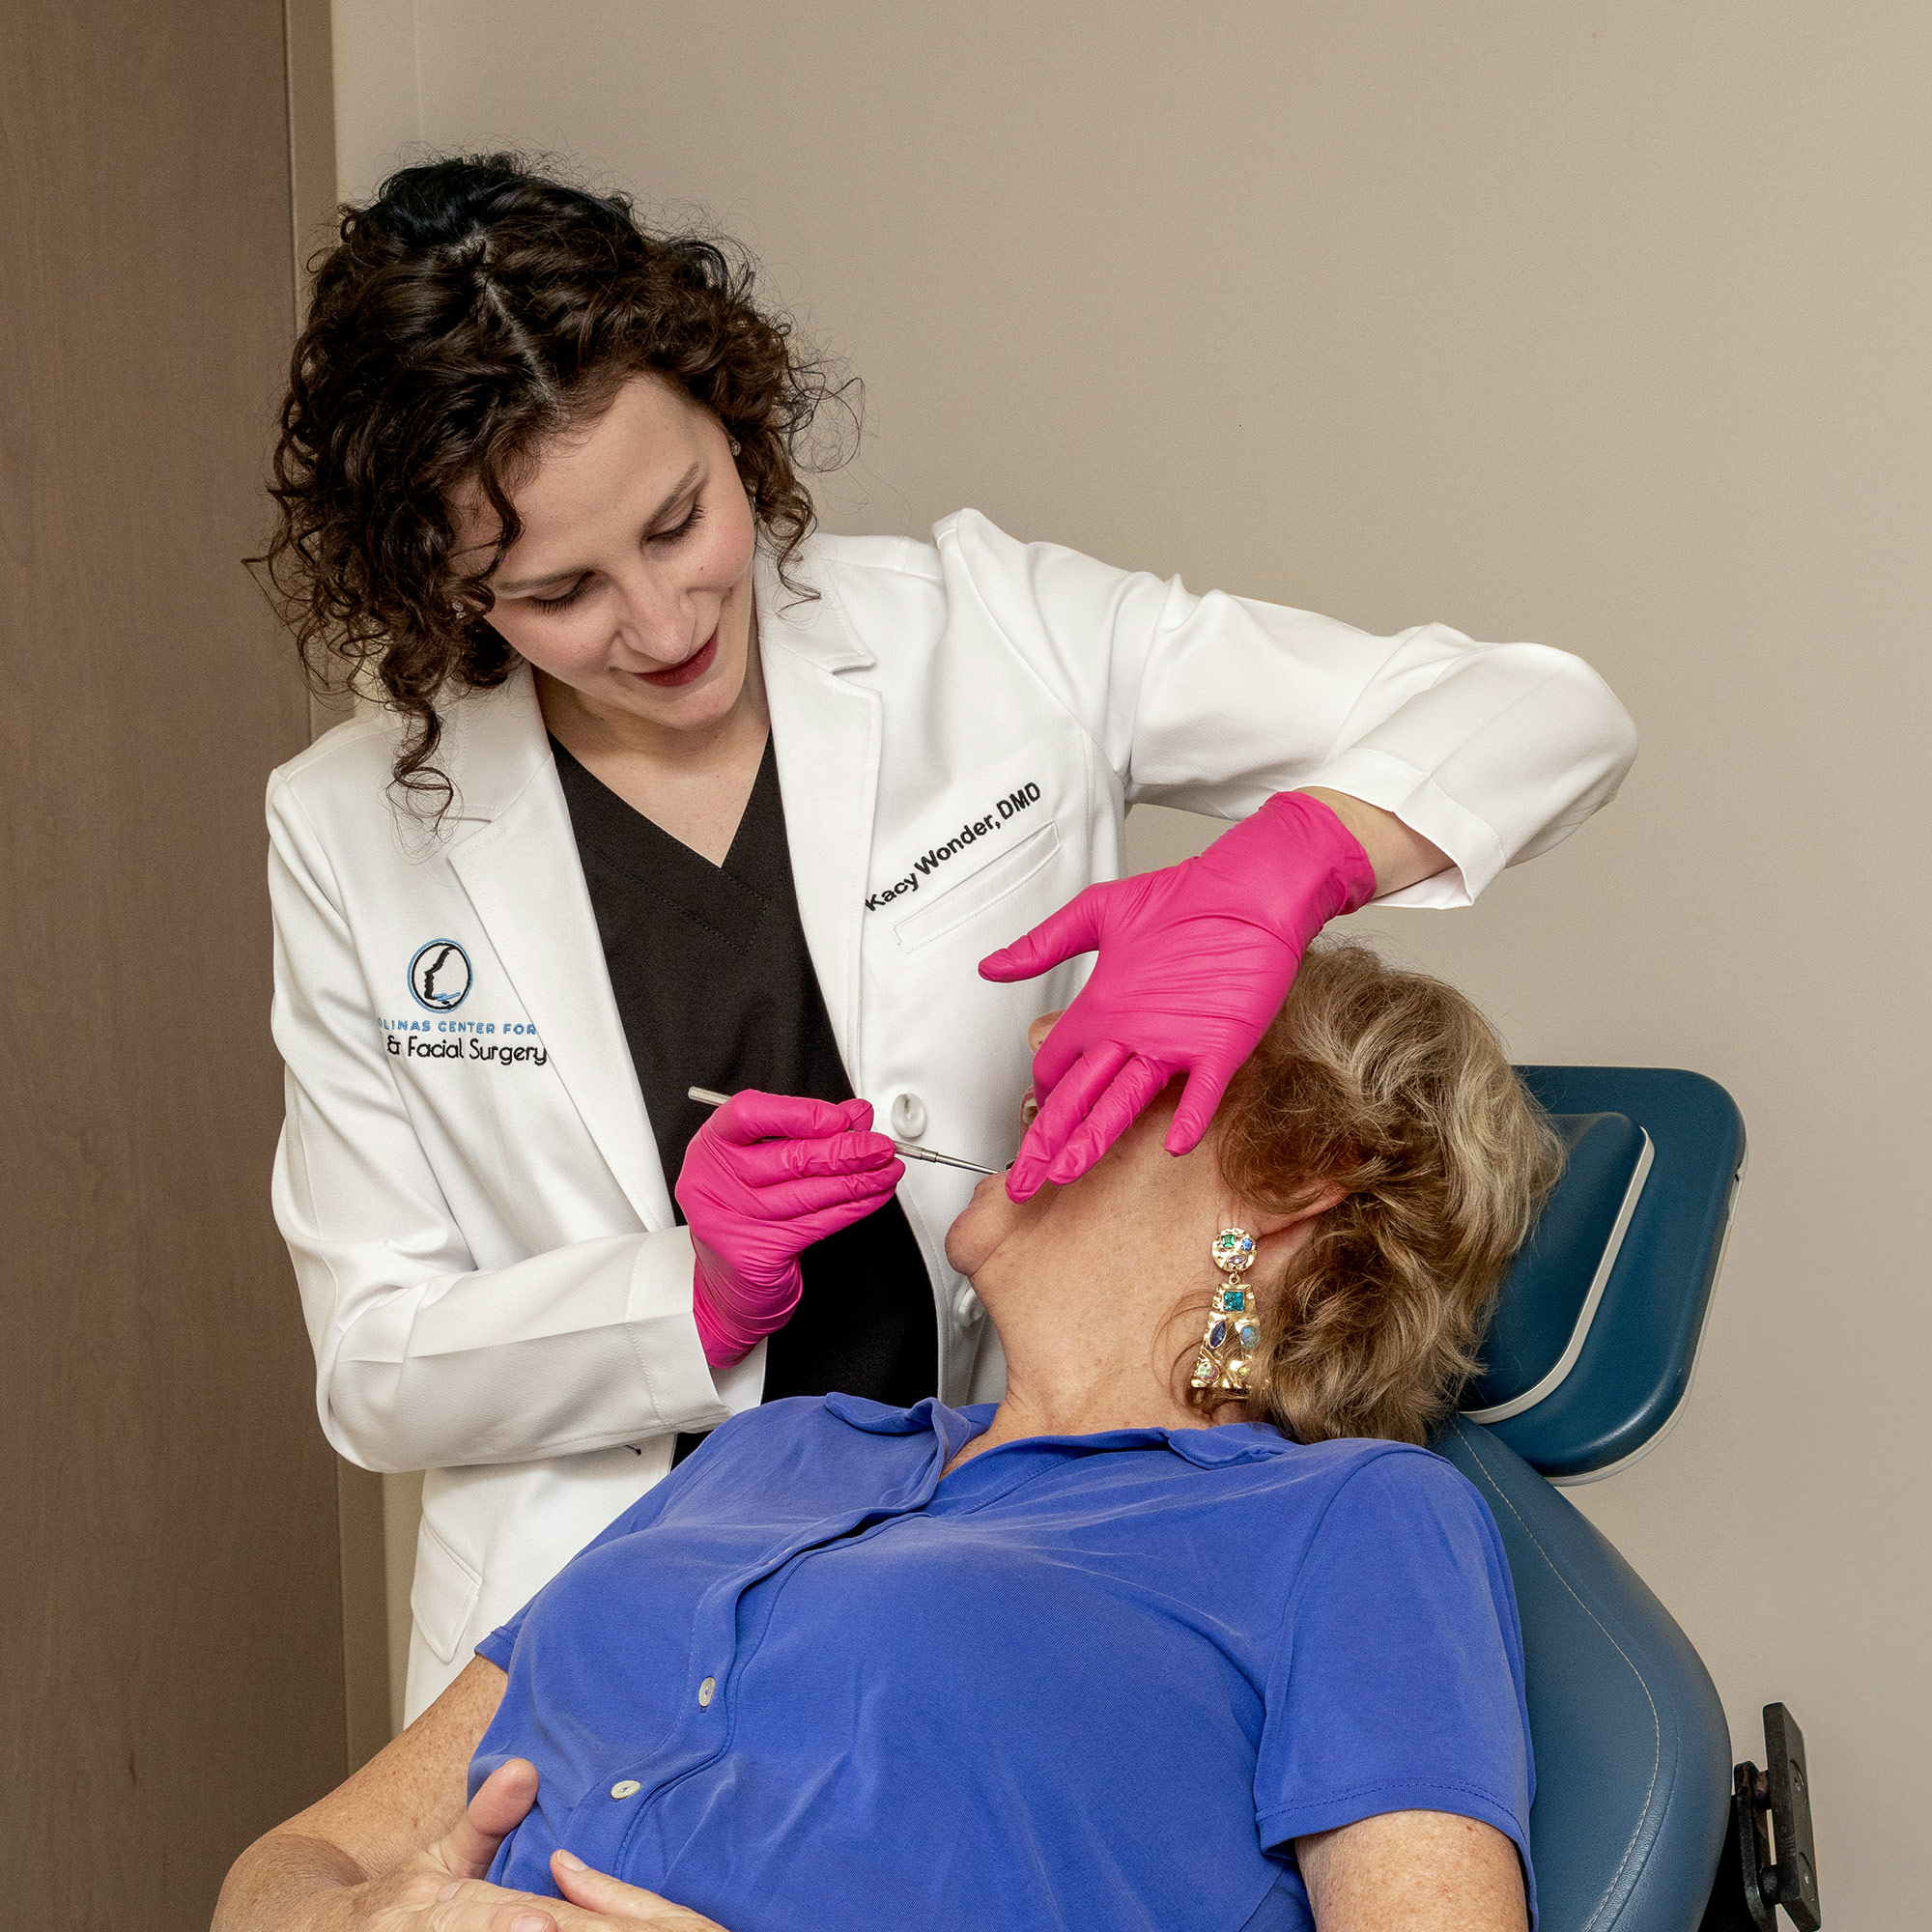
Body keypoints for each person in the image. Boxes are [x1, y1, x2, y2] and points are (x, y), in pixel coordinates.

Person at [260, 152, 1635, 1718]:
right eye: (558, 589)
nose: (660, 624)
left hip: (988, 1590)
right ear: (441, 587)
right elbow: (374, 1367)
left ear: (732, 410)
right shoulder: (353, 827)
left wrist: (1296, 859)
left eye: (679, 519)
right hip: (596, 1624)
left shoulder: (996, 636)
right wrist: (687, 1293)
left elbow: (1555, 714)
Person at [215, 946, 1563, 1932]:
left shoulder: (1353, 1519)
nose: (1044, 1063)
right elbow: (288, 1866)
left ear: (1284, 1183)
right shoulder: (781, 1451)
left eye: (1119, 1066)